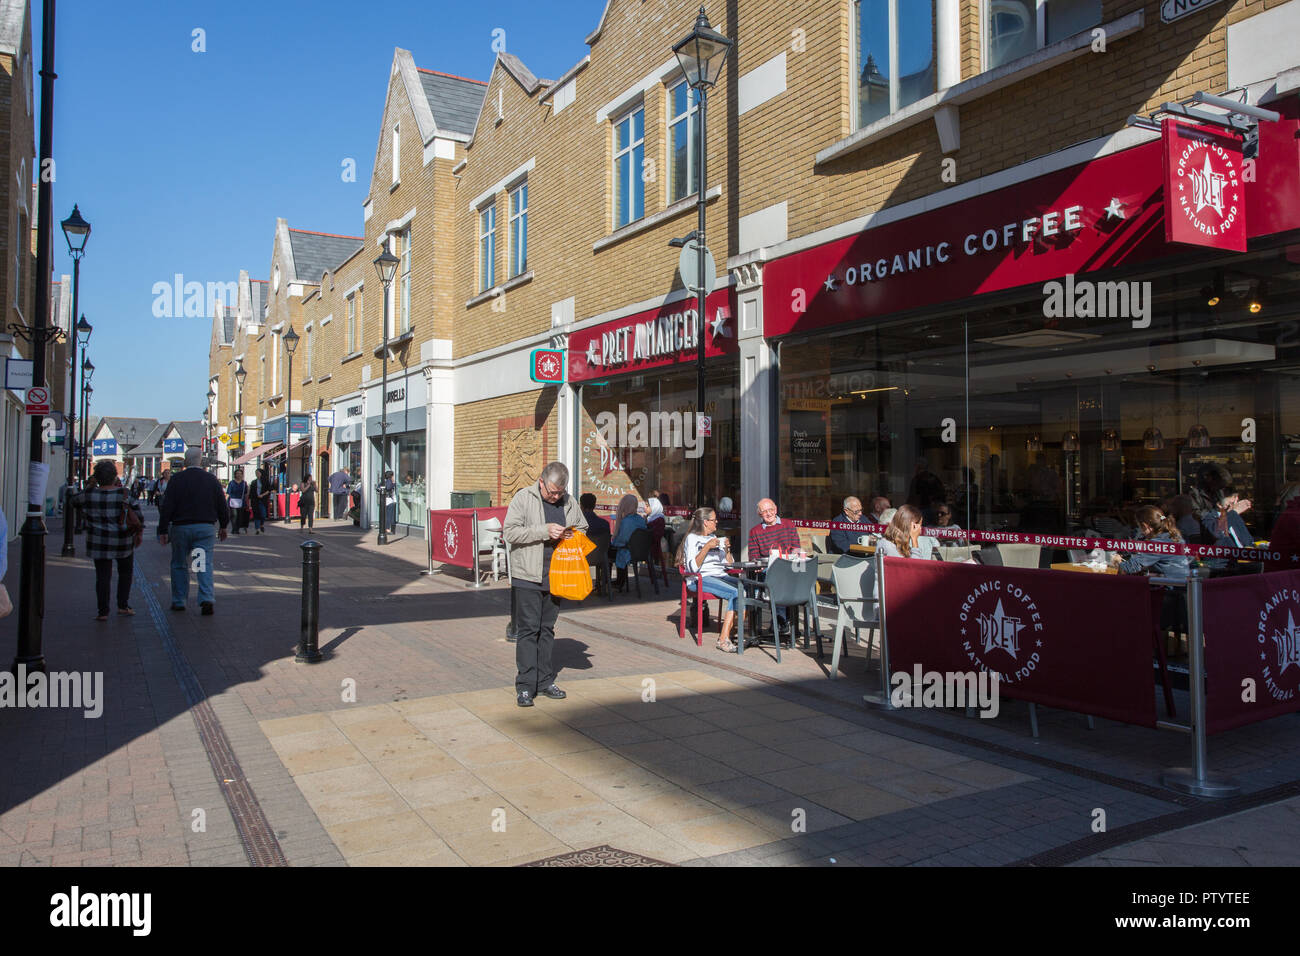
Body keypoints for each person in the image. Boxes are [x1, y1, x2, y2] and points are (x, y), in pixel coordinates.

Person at [503, 461, 586, 708]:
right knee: (529, 629)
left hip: (557, 575)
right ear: (541, 482)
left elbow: (583, 526)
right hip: (528, 574)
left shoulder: (569, 502)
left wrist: (573, 534)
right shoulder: (523, 498)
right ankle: (526, 685)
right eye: (552, 492)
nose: (556, 496)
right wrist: (543, 530)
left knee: (547, 629)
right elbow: (511, 532)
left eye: (560, 492)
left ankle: (545, 680)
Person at [157, 447, 229, 615]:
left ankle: (179, 600)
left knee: (179, 564)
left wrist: (163, 529)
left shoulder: (176, 480)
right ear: (200, 461)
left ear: (185, 461)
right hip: (204, 528)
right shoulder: (211, 480)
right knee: (202, 564)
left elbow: (167, 506)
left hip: (181, 528)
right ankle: (206, 598)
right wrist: (224, 525)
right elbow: (221, 505)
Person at [83, 460, 144, 621]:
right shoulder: (124, 494)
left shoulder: (89, 495)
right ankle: (123, 605)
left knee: (102, 576)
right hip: (123, 540)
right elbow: (138, 516)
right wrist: (139, 534)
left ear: (96, 477)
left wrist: (91, 484)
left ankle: (103, 611)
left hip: (99, 541)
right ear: (114, 477)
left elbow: (73, 501)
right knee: (125, 573)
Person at [676, 507, 739, 653]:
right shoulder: (692, 538)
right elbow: (692, 567)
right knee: (736, 592)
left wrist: (727, 550)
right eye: (714, 519)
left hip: (719, 575)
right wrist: (706, 548)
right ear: (705, 522)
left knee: (749, 588)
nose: (716, 522)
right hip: (700, 578)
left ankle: (734, 631)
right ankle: (723, 640)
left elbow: (729, 565)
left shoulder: (714, 538)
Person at [1110, 506, 1190, 578]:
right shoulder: (1174, 537)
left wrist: (1116, 560)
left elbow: (1127, 569)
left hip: (1170, 589)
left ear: (1145, 526)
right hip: (1182, 585)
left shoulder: (1156, 544)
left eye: (1139, 527)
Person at [609, 493, 647, 590]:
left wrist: (612, 542)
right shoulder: (641, 519)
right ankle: (618, 580)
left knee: (607, 553)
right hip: (641, 552)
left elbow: (621, 541)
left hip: (629, 552)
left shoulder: (626, 521)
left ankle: (608, 581)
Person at [226, 468, 250, 534]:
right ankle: (234, 529)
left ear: (242, 475)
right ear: (235, 475)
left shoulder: (244, 483)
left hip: (241, 502)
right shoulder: (231, 483)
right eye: (237, 474)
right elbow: (228, 492)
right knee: (234, 515)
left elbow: (246, 494)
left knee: (240, 516)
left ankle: (237, 528)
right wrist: (225, 501)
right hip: (232, 501)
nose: (239, 475)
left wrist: (248, 503)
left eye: (240, 474)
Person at [251, 467, 272, 534]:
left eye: (258, 473)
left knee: (263, 514)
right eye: (256, 473)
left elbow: (269, 490)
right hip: (255, 500)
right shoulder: (253, 482)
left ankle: (261, 524)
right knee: (256, 514)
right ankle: (257, 529)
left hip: (263, 500)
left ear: (261, 474)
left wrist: (262, 495)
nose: (257, 474)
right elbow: (251, 492)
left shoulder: (265, 481)